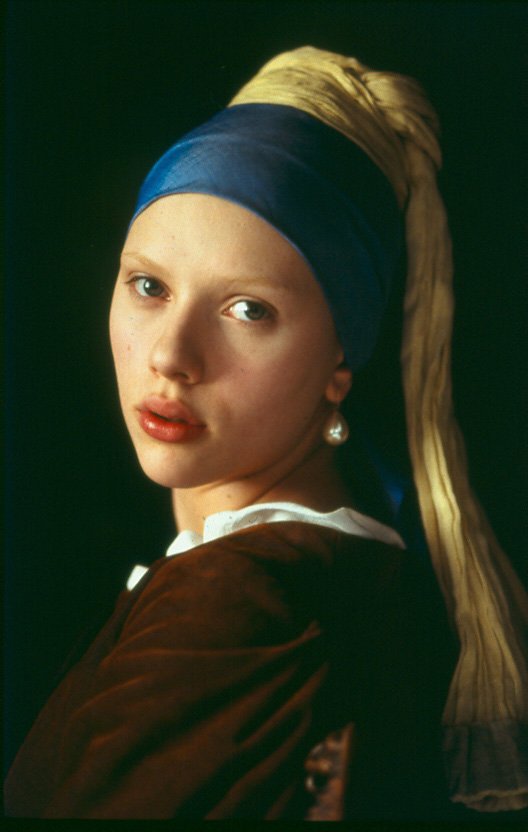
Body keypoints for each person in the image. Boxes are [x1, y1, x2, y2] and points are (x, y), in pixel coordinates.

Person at [5, 46, 528, 820]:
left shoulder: (238, 605)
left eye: (248, 309)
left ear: (340, 362)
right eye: (148, 285)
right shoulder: (334, 569)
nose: (171, 356)